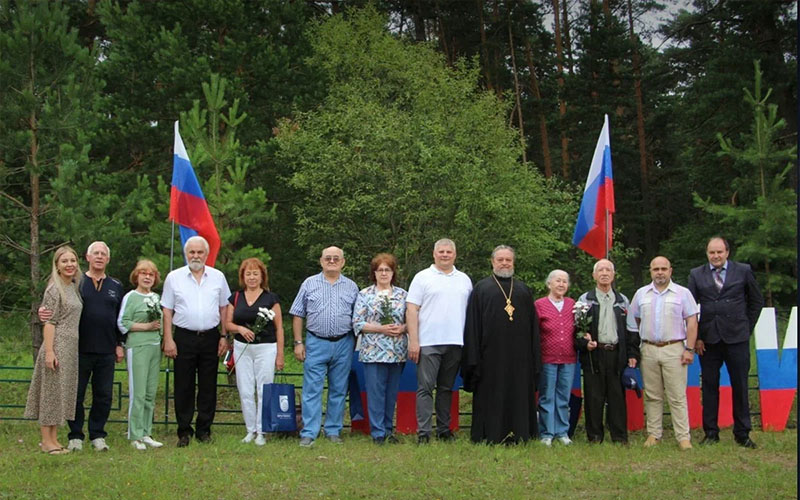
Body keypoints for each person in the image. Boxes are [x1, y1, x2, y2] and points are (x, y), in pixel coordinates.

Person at [40, 241, 124, 452]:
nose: (99, 256)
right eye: (95, 253)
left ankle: (98, 435)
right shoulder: (77, 282)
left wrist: (119, 344)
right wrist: (43, 312)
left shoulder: (116, 286)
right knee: (74, 394)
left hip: (106, 349)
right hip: (77, 349)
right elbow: (56, 305)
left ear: (108, 259)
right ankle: (75, 435)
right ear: (87, 258)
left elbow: (120, 318)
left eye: (103, 254)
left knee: (103, 395)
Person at [688, 236, 763, 448]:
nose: (716, 256)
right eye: (712, 252)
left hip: (737, 338)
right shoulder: (696, 274)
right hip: (709, 341)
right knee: (710, 387)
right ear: (707, 254)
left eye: (719, 252)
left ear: (727, 252)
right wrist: (698, 337)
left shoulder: (743, 271)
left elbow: (756, 301)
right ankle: (711, 433)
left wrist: (746, 328)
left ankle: (742, 433)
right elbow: (691, 309)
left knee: (740, 386)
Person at [462, 245, 540, 444]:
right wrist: (474, 357)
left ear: (513, 262)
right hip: (490, 356)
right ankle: (491, 434)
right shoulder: (482, 288)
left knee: (518, 394)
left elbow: (533, 327)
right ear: (492, 262)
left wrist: (533, 356)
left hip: (520, 357)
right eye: (500, 260)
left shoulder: (523, 290)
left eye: (508, 260)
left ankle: (520, 433)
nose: (505, 263)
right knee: (492, 394)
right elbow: (473, 325)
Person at [161, 236, 231, 447]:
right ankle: (184, 431)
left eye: (200, 252)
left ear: (206, 254)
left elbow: (224, 308)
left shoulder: (218, 277)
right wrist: (168, 338)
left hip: (211, 336)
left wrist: (224, 336)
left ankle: (204, 430)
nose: (196, 256)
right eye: (192, 252)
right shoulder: (174, 277)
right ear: (186, 254)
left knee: (208, 385)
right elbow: (167, 310)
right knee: (183, 385)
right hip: (184, 337)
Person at [290, 246, 359, 447]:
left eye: (336, 258)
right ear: (321, 261)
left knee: (339, 389)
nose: (331, 261)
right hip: (316, 342)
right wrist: (298, 342)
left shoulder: (352, 287)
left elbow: (358, 318)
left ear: (343, 262)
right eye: (327, 258)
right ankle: (309, 431)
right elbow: (297, 314)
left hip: (344, 343)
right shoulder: (309, 284)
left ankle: (333, 430)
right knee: (312, 389)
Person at [628, 256, 698, 450]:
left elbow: (692, 322)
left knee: (677, 396)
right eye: (656, 269)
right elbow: (635, 321)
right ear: (650, 271)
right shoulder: (642, 294)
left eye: (663, 269)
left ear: (670, 271)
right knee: (652, 395)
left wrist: (689, 349)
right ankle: (654, 434)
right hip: (649, 349)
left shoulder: (682, 294)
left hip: (674, 349)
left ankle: (683, 437)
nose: (660, 272)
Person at [407, 238, 473, 443]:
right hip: (428, 343)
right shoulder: (422, 277)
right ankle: (424, 433)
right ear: (434, 254)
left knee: (446, 389)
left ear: (455, 254)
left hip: (455, 342)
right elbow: (411, 310)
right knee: (425, 389)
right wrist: (414, 341)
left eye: (449, 252)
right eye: (441, 252)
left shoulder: (464, 279)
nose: (445, 255)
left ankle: (444, 430)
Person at [25, 246, 83, 455]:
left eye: (72, 261)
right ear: (57, 265)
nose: (69, 265)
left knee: (60, 393)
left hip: (70, 347)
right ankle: (46, 441)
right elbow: (49, 321)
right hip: (56, 344)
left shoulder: (72, 286)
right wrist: (49, 352)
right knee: (50, 392)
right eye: (64, 261)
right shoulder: (54, 289)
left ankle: (54, 438)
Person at [576, 259, 639, 444]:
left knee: (617, 396)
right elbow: (577, 329)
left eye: (608, 270)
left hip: (616, 354)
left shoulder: (622, 301)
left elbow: (631, 331)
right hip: (593, 353)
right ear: (594, 275)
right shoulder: (584, 300)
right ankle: (594, 437)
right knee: (593, 396)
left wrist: (632, 354)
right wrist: (583, 343)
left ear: (613, 275)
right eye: (600, 270)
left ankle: (619, 437)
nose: (604, 273)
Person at [224, 258, 284, 446]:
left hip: (266, 348)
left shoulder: (271, 299)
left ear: (262, 276)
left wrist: (280, 354)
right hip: (242, 348)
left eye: (255, 273)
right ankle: (250, 429)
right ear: (243, 276)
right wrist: (240, 329)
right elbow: (227, 323)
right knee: (245, 388)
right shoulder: (235, 297)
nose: (251, 277)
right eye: (248, 273)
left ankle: (262, 430)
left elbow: (279, 327)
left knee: (264, 389)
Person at [352, 253, 408, 445]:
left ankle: (388, 430)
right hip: (373, 352)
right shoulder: (365, 294)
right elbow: (357, 323)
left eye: (388, 270)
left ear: (393, 273)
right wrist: (380, 328)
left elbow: (411, 321)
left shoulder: (403, 295)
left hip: (397, 352)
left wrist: (403, 328)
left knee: (391, 394)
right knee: (375, 394)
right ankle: (377, 433)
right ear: (374, 273)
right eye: (380, 270)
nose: (384, 273)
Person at [117, 260, 165, 450]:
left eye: (151, 274)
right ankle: (134, 434)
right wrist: (145, 327)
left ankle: (146, 432)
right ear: (136, 276)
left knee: (150, 392)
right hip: (138, 347)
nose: (147, 277)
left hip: (155, 348)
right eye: (143, 273)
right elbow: (122, 323)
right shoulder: (131, 297)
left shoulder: (156, 297)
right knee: (138, 392)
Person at [534, 269, 577, 447]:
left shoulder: (572, 304)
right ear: (549, 284)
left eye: (564, 282)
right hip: (547, 358)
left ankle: (562, 432)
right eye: (557, 281)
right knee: (547, 396)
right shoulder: (539, 304)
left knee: (563, 396)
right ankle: (546, 433)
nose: (561, 285)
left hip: (568, 358)